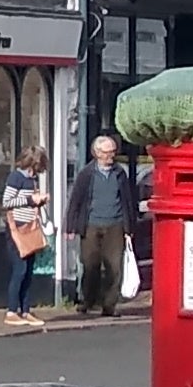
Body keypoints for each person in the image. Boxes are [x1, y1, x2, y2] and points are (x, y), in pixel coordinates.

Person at [67, 132, 138, 315]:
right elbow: (76, 200)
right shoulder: (87, 174)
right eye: (106, 152)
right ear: (97, 153)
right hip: (91, 224)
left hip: (115, 224)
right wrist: (71, 226)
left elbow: (128, 201)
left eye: (113, 152)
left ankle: (109, 305)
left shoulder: (120, 174)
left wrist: (129, 227)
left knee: (115, 267)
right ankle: (88, 300)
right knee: (90, 265)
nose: (110, 156)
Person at [0, 151, 49, 321]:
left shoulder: (31, 180)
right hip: (17, 230)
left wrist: (39, 201)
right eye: (36, 169)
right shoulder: (16, 178)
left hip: (30, 228)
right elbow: (6, 202)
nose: (36, 173)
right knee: (19, 270)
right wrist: (30, 200)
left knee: (28, 272)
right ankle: (12, 311)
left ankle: (26, 310)